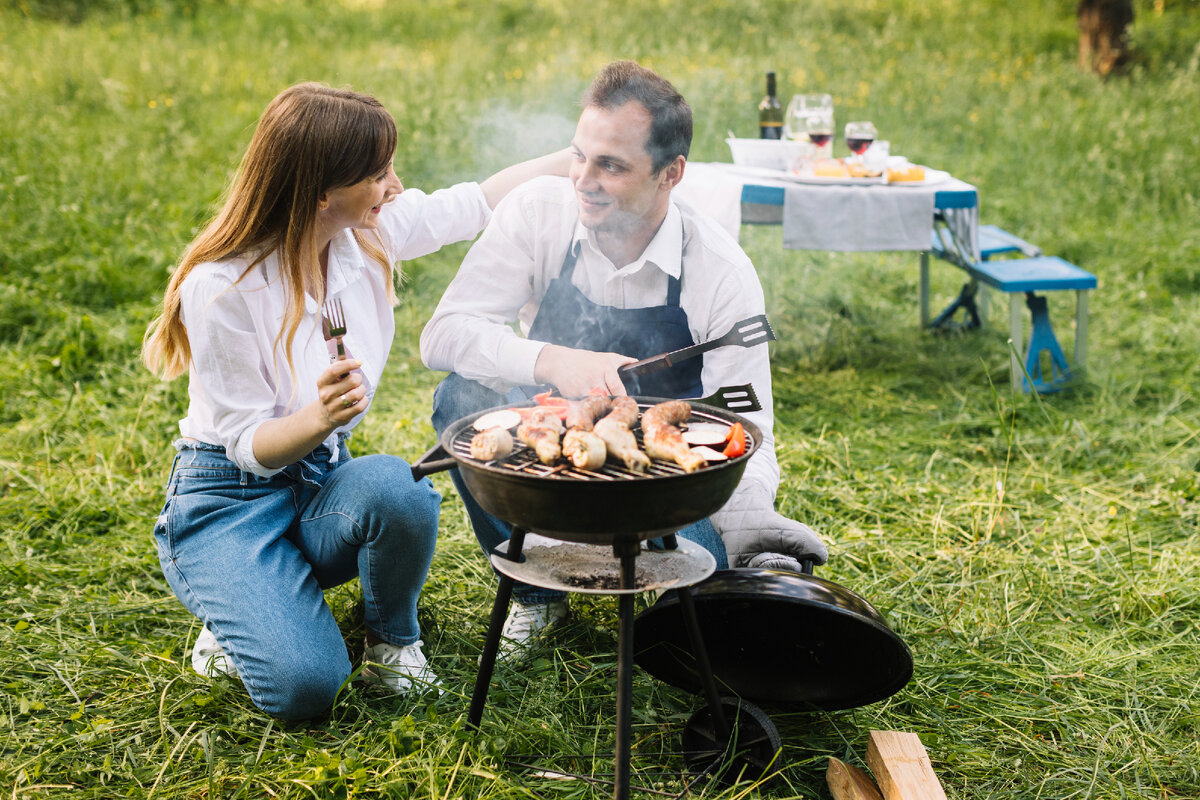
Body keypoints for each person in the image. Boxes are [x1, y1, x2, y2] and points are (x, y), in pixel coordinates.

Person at [142, 82, 570, 720]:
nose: (395, 186)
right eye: (378, 174)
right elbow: (249, 447)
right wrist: (317, 418)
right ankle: (238, 607)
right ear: (322, 190)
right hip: (229, 498)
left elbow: (477, 201)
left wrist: (583, 154)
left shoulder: (363, 237)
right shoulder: (223, 288)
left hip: (317, 481)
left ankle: (392, 644)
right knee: (308, 689)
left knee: (398, 487)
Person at [420, 61, 827, 661]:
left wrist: (750, 523)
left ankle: (675, 576)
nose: (584, 180)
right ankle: (538, 599)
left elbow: (750, 426)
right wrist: (553, 358)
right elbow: (443, 335)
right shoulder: (539, 212)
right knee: (461, 401)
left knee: (708, 627)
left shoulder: (720, 271)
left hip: (664, 481)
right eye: (579, 156)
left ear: (671, 174)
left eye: (611, 166)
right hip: (555, 443)